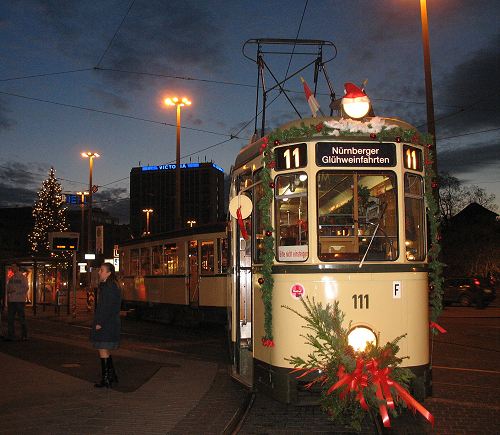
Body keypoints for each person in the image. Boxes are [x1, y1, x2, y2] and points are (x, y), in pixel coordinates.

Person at [90, 262, 122, 388]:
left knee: (102, 349)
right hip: (110, 322)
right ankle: (112, 375)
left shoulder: (108, 286)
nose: (99, 272)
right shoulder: (112, 285)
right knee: (105, 349)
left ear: (108, 273)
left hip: (106, 324)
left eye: (101, 270)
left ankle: (106, 379)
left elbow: (106, 307)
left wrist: (99, 323)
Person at [6, 263, 29, 341]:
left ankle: (24, 335)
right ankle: (11, 335)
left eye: (13, 266)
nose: (12, 268)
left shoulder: (22, 277)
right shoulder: (11, 278)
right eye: (11, 266)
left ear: (18, 268)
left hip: (19, 300)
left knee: (21, 318)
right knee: (10, 319)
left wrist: (15, 291)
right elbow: (8, 288)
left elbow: (26, 288)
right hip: (12, 300)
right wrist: (9, 291)